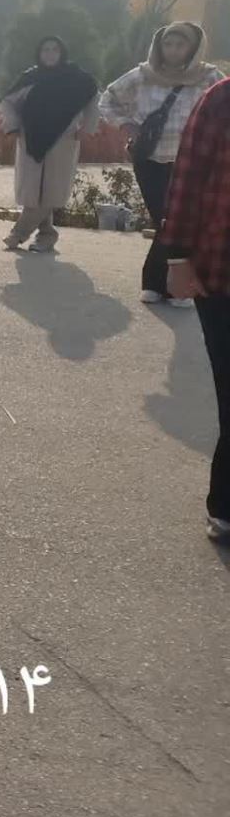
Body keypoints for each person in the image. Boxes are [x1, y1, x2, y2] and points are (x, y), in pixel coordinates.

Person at [101, 21, 225, 306]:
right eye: (168, 44)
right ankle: (168, 285)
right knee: (165, 220)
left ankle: (159, 285)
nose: (173, 50)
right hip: (150, 159)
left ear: (193, 48)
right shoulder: (142, 75)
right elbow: (107, 100)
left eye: (180, 44)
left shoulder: (209, 77)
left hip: (192, 161)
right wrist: (127, 125)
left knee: (173, 221)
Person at [158, 77, 230, 541]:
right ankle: (226, 504)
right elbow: (187, 179)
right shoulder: (222, 99)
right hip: (221, 270)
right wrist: (178, 257)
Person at [0, 36, 100, 253]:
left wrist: (87, 128)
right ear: (39, 53)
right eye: (46, 49)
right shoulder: (30, 77)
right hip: (31, 137)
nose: (50, 53)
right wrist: (13, 125)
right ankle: (47, 236)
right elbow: (7, 102)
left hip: (64, 139)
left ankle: (18, 234)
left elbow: (93, 99)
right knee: (34, 191)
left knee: (52, 189)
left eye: (55, 49)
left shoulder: (77, 79)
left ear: (62, 52)